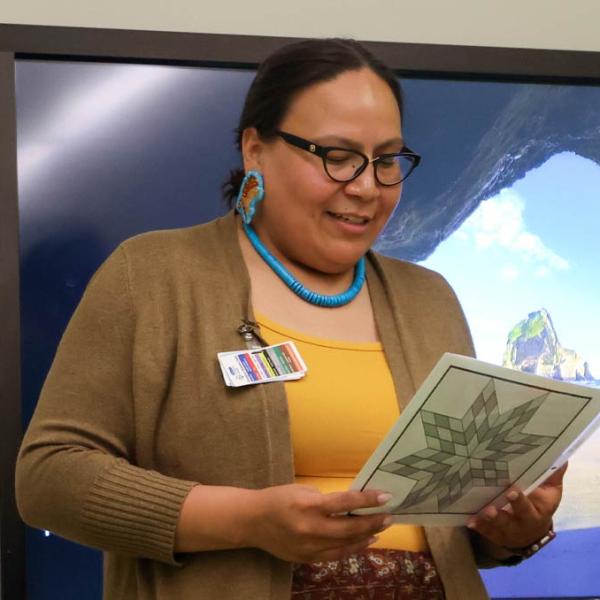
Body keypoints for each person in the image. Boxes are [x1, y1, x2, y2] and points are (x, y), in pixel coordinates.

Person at [16, 38, 566, 600]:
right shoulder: (153, 275)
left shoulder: (430, 298)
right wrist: (247, 519)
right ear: (255, 149)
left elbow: (450, 533)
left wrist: (512, 532)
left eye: (386, 160)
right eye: (337, 155)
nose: (366, 186)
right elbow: (49, 477)